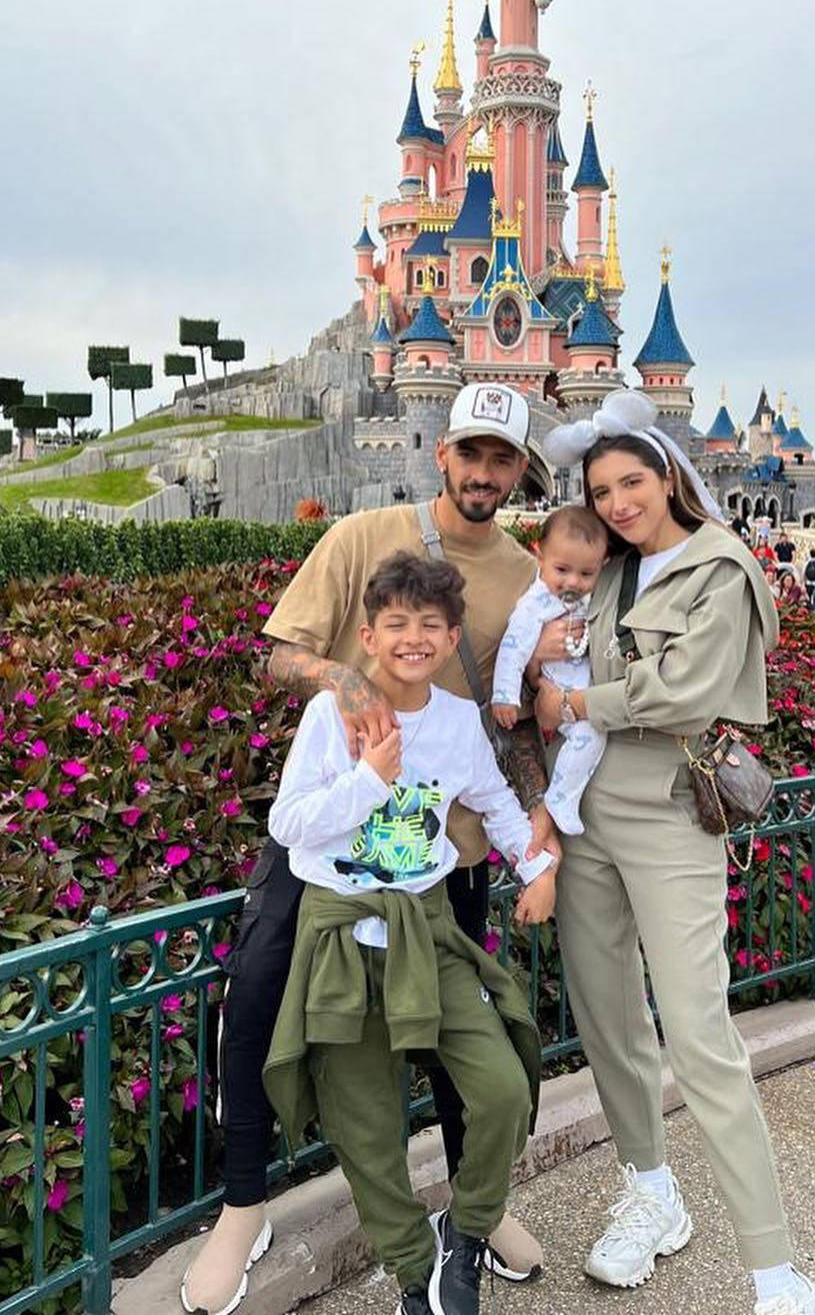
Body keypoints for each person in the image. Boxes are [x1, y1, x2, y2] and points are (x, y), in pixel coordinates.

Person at [182, 382, 560, 1315]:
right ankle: (243, 1205)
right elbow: (281, 651)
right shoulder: (363, 537)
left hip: (444, 854)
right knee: (262, 1006)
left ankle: (473, 1216)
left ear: (520, 470)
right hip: (335, 854)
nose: (482, 473)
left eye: (501, 458)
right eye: (469, 453)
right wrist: (349, 692)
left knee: (456, 1041)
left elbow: (511, 722)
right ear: (441, 452)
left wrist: (540, 820)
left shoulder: (524, 572)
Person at [538, 391, 815, 1315]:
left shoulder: (723, 566)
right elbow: (563, 652)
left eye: (633, 480)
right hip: (587, 809)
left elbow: (685, 692)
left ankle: (773, 1269)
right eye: (603, 489)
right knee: (606, 1017)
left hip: (669, 808)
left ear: (668, 473)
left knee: (700, 1034)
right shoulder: (612, 572)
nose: (620, 501)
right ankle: (650, 1191)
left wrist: (582, 703)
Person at [262, 553, 556, 1315]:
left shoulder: (458, 722)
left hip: (425, 930)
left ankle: (466, 1234)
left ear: (452, 633)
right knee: (365, 1127)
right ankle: (413, 1273)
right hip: (342, 936)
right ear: (367, 635)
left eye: (431, 625)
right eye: (397, 624)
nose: (414, 639)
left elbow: (493, 802)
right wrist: (369, 783)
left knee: (498, 1089)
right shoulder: (331, 716)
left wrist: (537, 868)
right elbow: (287, 824)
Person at [491, 505, 609, 835]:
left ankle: (562, 797)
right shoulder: (536, 604)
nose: (572, 581)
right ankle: (560, 798)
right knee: (589, 735)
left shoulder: (585, 599)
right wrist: (504, 695)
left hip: (578, 689)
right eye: (562, 570)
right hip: (557, 687)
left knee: (590, 737)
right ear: (539, 557)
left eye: (586, 574)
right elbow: (512, 648)